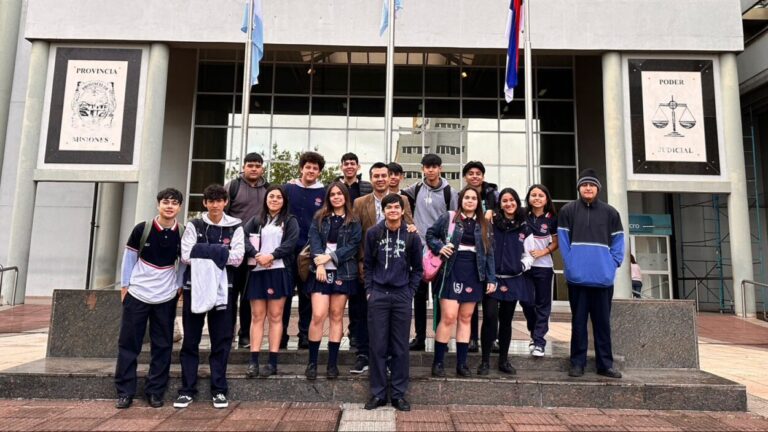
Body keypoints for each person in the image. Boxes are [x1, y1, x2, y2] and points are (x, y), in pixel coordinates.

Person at [114, 188, 185, 409]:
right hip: (137, 293)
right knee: (129, 344)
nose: (170, 206)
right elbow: (129, 257)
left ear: (180, 207)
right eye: (166, 202)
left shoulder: (182, 232)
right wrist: (125, 285)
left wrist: (179, 286)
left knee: (162, 345)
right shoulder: (142, 229)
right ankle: (125, 391)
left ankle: (155, 391)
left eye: (174, 203)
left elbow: (183, 262)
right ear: (158, 204)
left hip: (166, 296)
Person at [176, 184, 244, 409]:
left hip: (224, 288)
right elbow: (186, 255)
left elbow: (238, 258)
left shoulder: (236, 227)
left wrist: (204, 249)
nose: (215, 204)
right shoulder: (194, 225)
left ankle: (219, 389)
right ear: (204, 203)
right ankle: (187, 389)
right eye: (210, 200)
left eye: (219, 200)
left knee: (221, 341)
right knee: (191, 340)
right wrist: (220, 252)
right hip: (193, 287)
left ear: (225, 202)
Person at [558, 169, 624, 379]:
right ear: (579, 188)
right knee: (578, 323)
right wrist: (571, 266)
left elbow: (619, 243)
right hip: (577, 279)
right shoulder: (568, 210)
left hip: (603, 279)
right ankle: (577, 363)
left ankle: (605, 364)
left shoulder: (611, 213)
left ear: (598, 189)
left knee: (602, 324)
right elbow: (563, 243)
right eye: (584, 185)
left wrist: (612, 264)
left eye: (592, 185)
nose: (588, 188)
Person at [350, 163, 415, 374]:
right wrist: (361, 261)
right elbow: (355, 234)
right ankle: (362, 354)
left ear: (390, 178)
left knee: (391, 320)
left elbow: (410, 227)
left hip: (395, 267)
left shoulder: (402, 200)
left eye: (383, 175)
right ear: (370, 179)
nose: (380, 179)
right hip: (369, 267)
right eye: (376, 176)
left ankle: (388, 359)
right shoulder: (360, 202)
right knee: (362, 311)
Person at [427, 186, 496, 378]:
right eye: (467, 197)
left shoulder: (484, 224)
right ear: (461, 200)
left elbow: (489, 253)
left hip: (474, 273)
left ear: (478, 202)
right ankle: (438, 362)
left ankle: (462, 363)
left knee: (466, 318)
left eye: (474, 198)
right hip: (451, 270)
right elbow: (430, 235)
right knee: (448, 317)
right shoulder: (449, 218)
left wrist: (491, 278)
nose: (470, 201)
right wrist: (441, 247)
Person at [363, 193, 423, 412]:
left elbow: (418, 269)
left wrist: (410, 292)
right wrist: (369, 291)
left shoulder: (411, 236)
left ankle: (398, 394)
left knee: (400, 347)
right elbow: (367, 265)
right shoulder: (373, 233)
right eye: (389, 208)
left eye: (397, 208)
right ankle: (378, 394)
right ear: (383, 210)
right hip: (378, 294)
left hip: (401, 296)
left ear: (402, 210)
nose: (393, 211)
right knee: (377, 345)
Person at [304, 182, 362, 379]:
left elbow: (353, 246)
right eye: (332, 194)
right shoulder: (320, 217)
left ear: (345, 196)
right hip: (319, 271)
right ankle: (312, 362)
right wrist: (319, 263)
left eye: (339, 194)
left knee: (337, 315)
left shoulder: (354, 220)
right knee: (318, 315)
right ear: (328, 197)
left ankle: (332, 363)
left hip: (343, 272)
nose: (336, 197)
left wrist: (330, 258)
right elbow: (314, 240)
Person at [402, 153, 458, 351]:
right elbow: (398, 197)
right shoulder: (415, 188)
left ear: (440, 168)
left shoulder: (450, 192)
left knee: (439, 295)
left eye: (434, 166)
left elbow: (454, 220)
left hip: (440, 252)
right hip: (417, 250)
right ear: (422, 169)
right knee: (418, 295)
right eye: (427, 166)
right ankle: (419, 336)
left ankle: (440, 335)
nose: (431, 170)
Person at [242, 185, 299, 378]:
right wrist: (257, 255)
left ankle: (272, 361)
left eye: (278, 197)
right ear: (266, 199)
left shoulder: (289, 221)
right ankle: (253, 361)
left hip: (278, 271)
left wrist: (272, 256)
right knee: (257, 316)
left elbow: (291, 244)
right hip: (257, 271)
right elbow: (242, 240)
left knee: (276, 316)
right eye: (271, 196)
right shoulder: (255, 220)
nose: (274, 200)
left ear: (284, 202)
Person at [479, 188, 534, 375]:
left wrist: (522, 266)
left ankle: (503, 360)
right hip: (492, 279)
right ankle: (485, 360)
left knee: (506, 320)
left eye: (512, 200)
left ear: (517, 203)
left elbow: (530, 254)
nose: (508, 204)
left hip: (513, 280)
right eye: (504, 200)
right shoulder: (491, 222)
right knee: (490, 317)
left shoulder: (524, 226)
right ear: (499, 204)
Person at [225, 152, 269, 350]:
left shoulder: (268, 189)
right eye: (250, 165)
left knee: (247, 294)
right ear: (243, 166)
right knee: (229, 293)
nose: (253, 168)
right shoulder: (232, 187)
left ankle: (245, 334)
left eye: (257, 165)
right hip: (233, 248)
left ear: (262, 168)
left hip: (255, 250)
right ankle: (227, 333)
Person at [283, 151, 327, 349]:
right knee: (283, 293)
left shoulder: (324, 192)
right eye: (307, 167)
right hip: (286, 249)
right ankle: (281, 335)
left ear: (319, 172)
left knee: (306, 295)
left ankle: (304, 335)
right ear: (301, 168)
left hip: (309, 250)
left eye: (315, 168)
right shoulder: (288, 189)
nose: (311, 171)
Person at [462, 161, 499, 352]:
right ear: (465, 177)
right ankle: (472, 339)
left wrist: (492, 209)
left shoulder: (493, 194)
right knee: (471, 306)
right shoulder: (462, 197)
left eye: (478, 173)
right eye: (470, 173)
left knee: (490, 307)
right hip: (470, 259)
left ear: (483, 176)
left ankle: (491, 339)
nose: (474, 176)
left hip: (488, 252)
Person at [336, 153, 371, 349]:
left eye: (352, 163)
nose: (349, 166)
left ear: (358, 166)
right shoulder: (335, 188)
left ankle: (356, 334)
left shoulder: (366, 187)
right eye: (346, 163)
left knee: (358, 298)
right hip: (338, 245)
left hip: (359, 244)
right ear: (341, 166)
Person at [523, 184, 559, 357]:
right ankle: (534, 333)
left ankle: (539, 342)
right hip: (525, 267)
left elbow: (555, 242)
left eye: (540, 195)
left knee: (543, 305)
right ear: (528, 198)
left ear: (546, 199)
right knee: (527, 302)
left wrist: (542, 252)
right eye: (533, 195)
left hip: (544, 267)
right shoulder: (523, 215)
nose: (536, 198)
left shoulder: (552, 218)